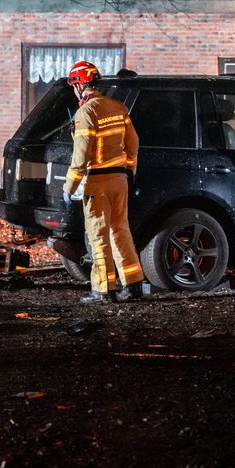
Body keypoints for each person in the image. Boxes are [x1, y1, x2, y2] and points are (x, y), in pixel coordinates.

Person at [62, 61, 145, 304]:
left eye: (74, 86)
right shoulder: (118, 107)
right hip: (120, 180)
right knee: (121, 231)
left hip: (97, 182)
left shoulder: (86, 113)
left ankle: (102, 290)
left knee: (98, 236)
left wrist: (70, 186)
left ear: (80, 85)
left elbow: (81, 155)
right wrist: (129, 169)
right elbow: (133, 142)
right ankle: (133, 285)